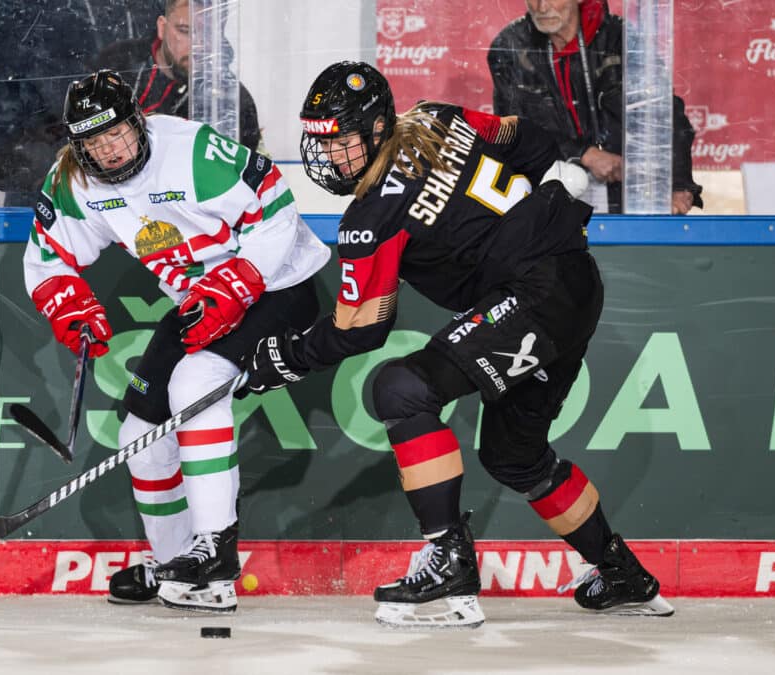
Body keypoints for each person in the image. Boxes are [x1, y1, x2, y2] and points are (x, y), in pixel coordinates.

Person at [240, 61, 674, 628]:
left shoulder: (372, 218)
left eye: (341, 141)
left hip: (534, 296)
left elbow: (360, 327)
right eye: (320, 142)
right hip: (574, 282)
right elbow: (530, 139)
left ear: (376, 128)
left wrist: (281, 359)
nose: (328, 157)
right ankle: (621, 574)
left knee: (399, 390)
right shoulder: (438, 118)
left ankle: (448, 556)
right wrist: (541, 212)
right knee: (514, 455)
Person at [22, 69, 329, 613]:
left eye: (116, 133)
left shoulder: (191, 153)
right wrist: (66, 302)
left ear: (137, 122)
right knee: (140, 434)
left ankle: (215, 552)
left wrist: (240, 280)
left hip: (278, 283)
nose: (108, 150)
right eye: (93, 141)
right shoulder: (74, 180)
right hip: (197, 300)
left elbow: (276, 206)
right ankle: (176, 568)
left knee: (194, 382)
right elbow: (48, 258)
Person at [0, 0, 162, 206]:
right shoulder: (27, 6)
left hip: (139, 188)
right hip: (49, 188)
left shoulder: (147, 9)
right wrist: (27, 167)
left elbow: (165, 74)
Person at [487, 0, 703, 215]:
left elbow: (664, 114)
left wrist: (678, 184)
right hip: (550, 192)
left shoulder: (620, 39)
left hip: (625, 188)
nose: (542, 7)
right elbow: (513, 130)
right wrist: (584, 154)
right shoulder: (509, 47)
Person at [90, 0, 262, 150]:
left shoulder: (230, 101)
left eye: (209, 33)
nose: (199, 45)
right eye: (185, 31)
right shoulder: (117, 64)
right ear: (162, 27)